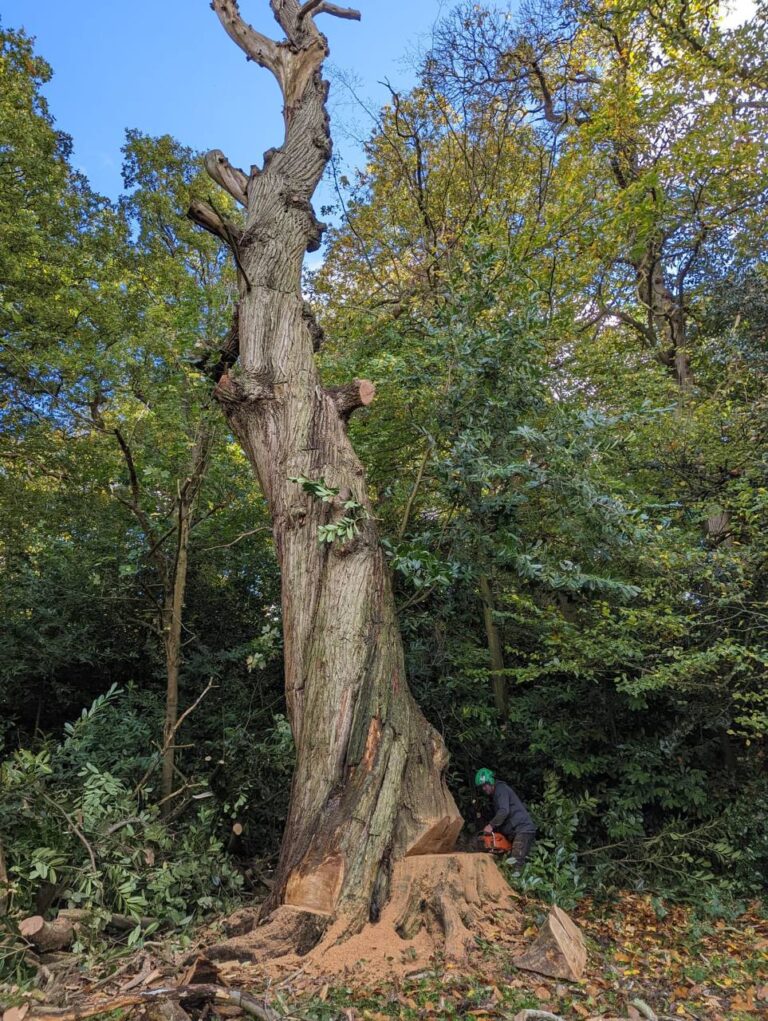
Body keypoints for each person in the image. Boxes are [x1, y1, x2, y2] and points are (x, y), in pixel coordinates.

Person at [475, 767, 536, 868]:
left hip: (523, 829)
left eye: (485, 785)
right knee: (507, 860)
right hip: (515, 830)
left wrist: (491, 825)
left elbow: (504, 811)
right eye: (482, 786)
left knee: (516, 862)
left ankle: (516, 882)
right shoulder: (496, 794)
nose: (483, 788)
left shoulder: (501, 790)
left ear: (490, 781)